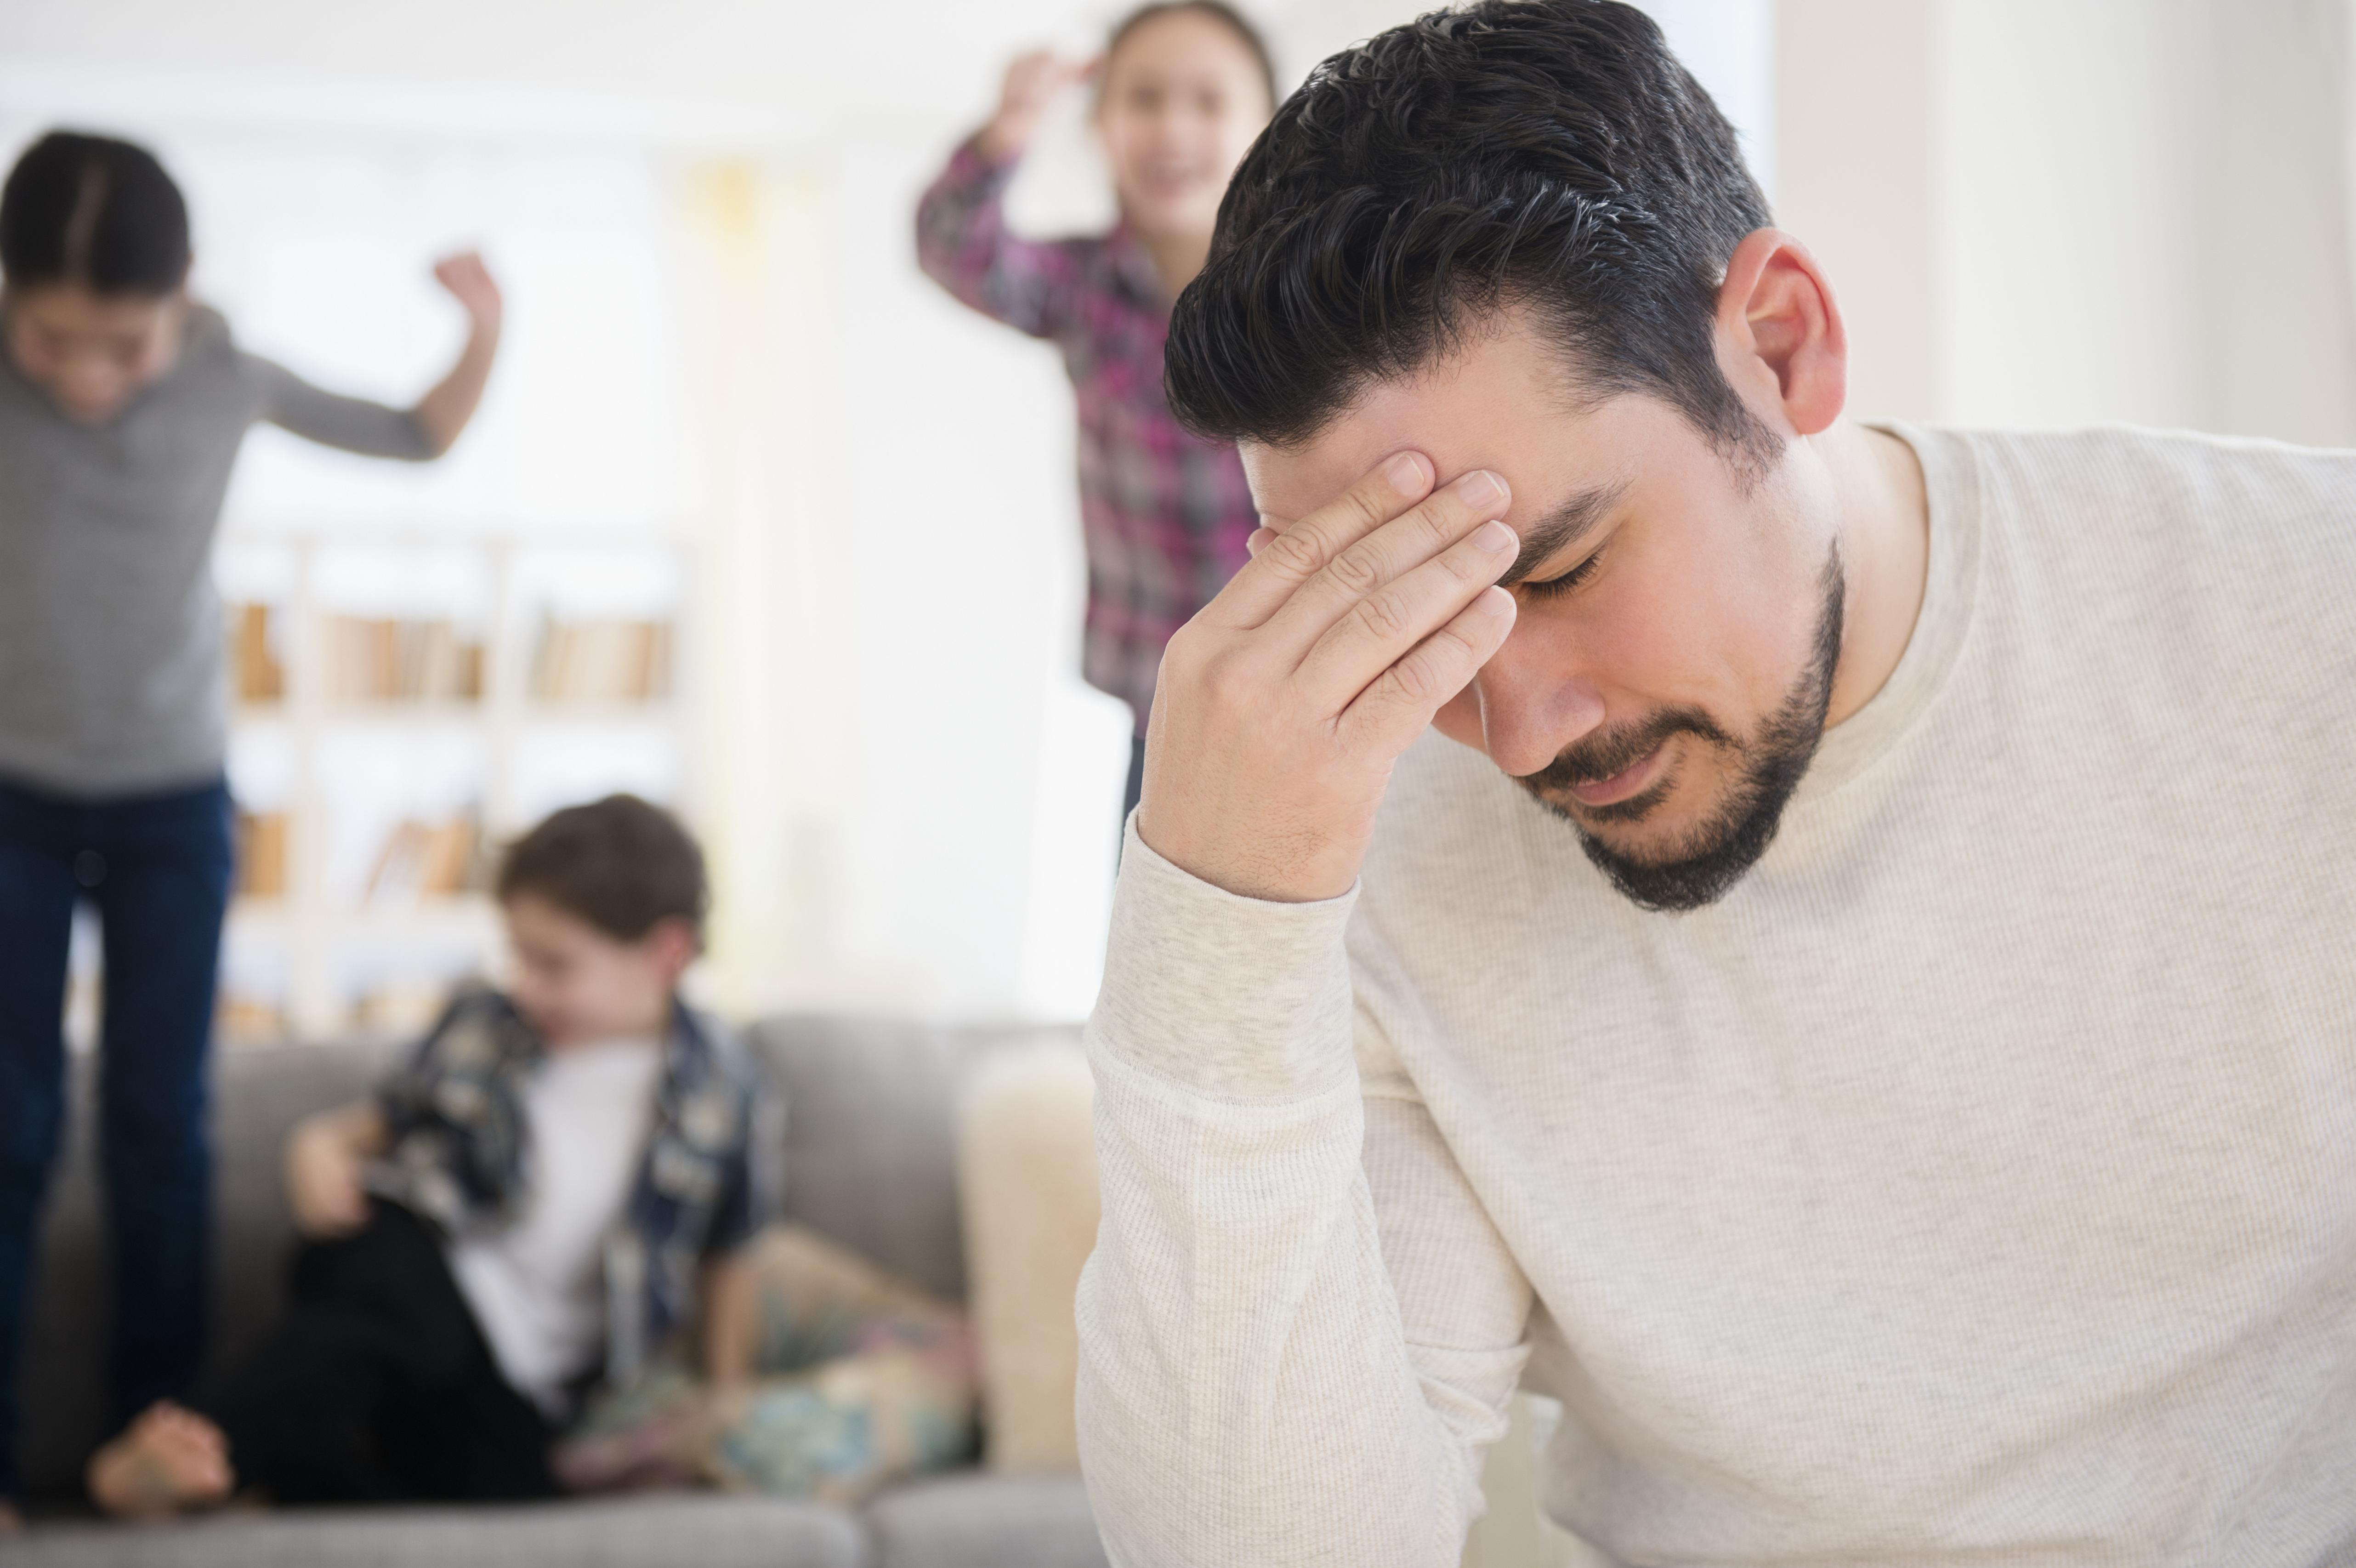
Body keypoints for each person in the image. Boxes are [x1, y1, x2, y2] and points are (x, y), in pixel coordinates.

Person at [1073, 4, 2356, 1565]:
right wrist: (1214, 921)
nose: (1519, 732)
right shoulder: (1370, 851)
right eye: (1410, 625)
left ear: (1782, 344)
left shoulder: (2305, 619)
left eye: (1559, 569)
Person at [0, 129, 502, 1527]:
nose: (87, 375)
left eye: (122, 344)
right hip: (12, 798)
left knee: (160, 1129)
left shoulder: (229, 373)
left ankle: (154, 1450)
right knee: (9, 1123)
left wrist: (483, 328)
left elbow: (418, 435)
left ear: (187, 294)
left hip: (173, 799)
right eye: (49, 339)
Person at [83, 794, 767, 1516]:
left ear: (666, 954)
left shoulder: (724, 1092)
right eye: (519, 957)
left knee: (505, 1486)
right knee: (403, 1320)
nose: (527, 985)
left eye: (555, 965)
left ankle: (264, 1479)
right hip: (416, 1261)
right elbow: (379, 1125)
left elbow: (731, 1254)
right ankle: (196, 1454)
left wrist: (728, 1402)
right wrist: (318, 1144)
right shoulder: (488, 1025)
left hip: (520, 1375)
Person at [916, 2, 1276, 826]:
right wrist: (1011, 127)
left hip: (1324, 692)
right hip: (1167, 712)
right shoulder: (1081, 289)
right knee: (1155, 909)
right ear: (1100, 127)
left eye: (1208, 100)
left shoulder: (1317, 285)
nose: (1172, 128)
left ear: (1267, 128)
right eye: (1143, 98)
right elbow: (950, 244)